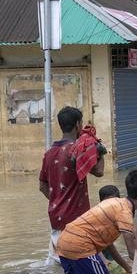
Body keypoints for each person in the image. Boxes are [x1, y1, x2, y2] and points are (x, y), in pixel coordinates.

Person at [55, 169, 137, 274]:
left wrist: (126, 267)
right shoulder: (125, 213)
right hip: (80, 245)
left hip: (64, 242)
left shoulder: (115, 203)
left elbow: (108, 244)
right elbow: (133, 253)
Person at [40, 106, 104, 265]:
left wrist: (59, 198)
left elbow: (42, 186)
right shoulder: (77, 149)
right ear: (77, 125)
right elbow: (99, 171)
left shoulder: (49, 153)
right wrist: (101, 152)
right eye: (81, 123)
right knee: (83, 268)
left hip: (56, 218)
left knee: (61, 268)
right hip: (77, 220)